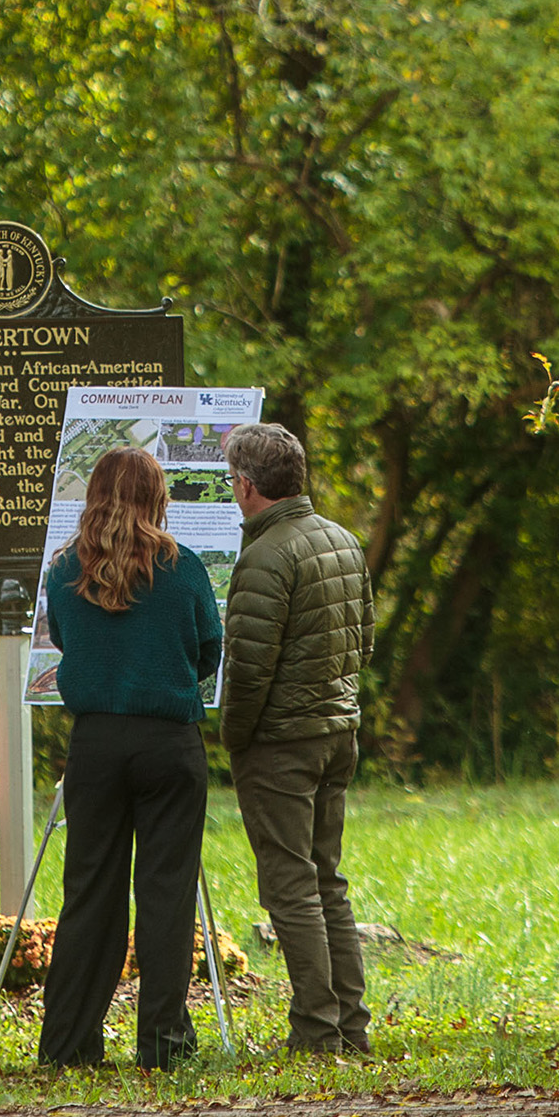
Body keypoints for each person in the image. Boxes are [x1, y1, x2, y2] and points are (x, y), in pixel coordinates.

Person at [34, 446, 222, 1070]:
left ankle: (69, 1043)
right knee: (166, 894)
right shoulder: (184, 566)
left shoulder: (64, 569)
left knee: (89, 892)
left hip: (96, 742)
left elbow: (63, 639)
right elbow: (208, 650)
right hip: (168, 742)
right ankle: (163, 1044)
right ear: (157, 496)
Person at [221, 420, 376, 1058]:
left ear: (249, 485)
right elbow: (364, 639)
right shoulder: (341, 540)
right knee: (327, 880)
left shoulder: (265, 555)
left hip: (282, 741)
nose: (233, 489)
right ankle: (352, 1027)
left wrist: (233, 738)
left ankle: (317, 1032)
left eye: (233, 479)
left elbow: (250, 669)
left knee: (289, 885)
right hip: (338, 732)